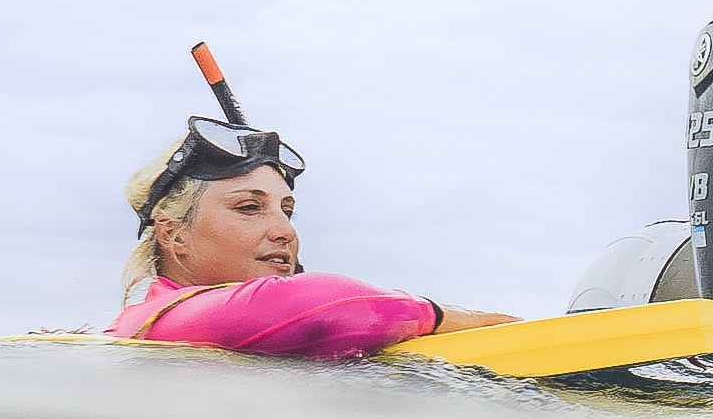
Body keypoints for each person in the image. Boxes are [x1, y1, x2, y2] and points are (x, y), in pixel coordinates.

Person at [112, 113, 510, 355]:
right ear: (174, 235)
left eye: (288, 211)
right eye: (249, 208)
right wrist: (468, 322)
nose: (285, 232)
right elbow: (330, 306)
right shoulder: (169, 320)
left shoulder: (218, 329)